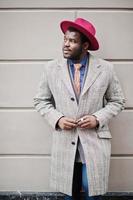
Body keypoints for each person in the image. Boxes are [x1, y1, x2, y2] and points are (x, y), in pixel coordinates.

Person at [34, 18, 125, 200]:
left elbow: (117, 101)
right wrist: (58, 119)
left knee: (91, 190)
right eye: (65, 39)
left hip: (95, 141)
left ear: (85, 46)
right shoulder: (51, 68)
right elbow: (40, 101)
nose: (66, 45)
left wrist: (97, 118)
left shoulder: (106, 69)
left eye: (73, 41)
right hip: (65, 140)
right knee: (70, 192)